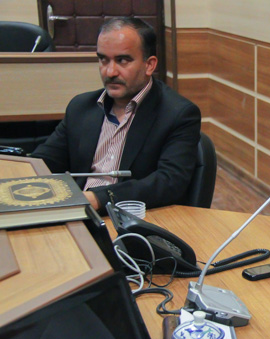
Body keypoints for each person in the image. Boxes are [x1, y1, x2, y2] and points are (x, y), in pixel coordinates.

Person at [32, 17, 200, 213]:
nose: (110, 72)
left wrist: (97, 199)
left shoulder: (178, 114)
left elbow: (168, 182)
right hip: (76, 213)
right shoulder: (81, 107)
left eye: (122, 60)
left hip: (131, 218)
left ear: (149, 65)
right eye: (103, 60)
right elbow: (45, 161)